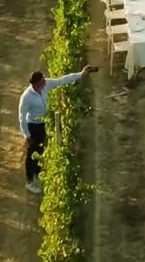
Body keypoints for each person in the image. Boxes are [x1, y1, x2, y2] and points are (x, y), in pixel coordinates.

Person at [18, 65, 95, 194]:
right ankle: (29, 181)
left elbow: (61, 80)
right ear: (36, 84)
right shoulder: (26, 97)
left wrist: (80, 74)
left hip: (43, 123)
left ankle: (38, 173)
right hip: (33, 125)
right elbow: (22, 117)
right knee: (32, 154)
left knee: (40, 150)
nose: (45, 82)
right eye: (42, 81)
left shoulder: (46, 84)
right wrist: (27, 135)